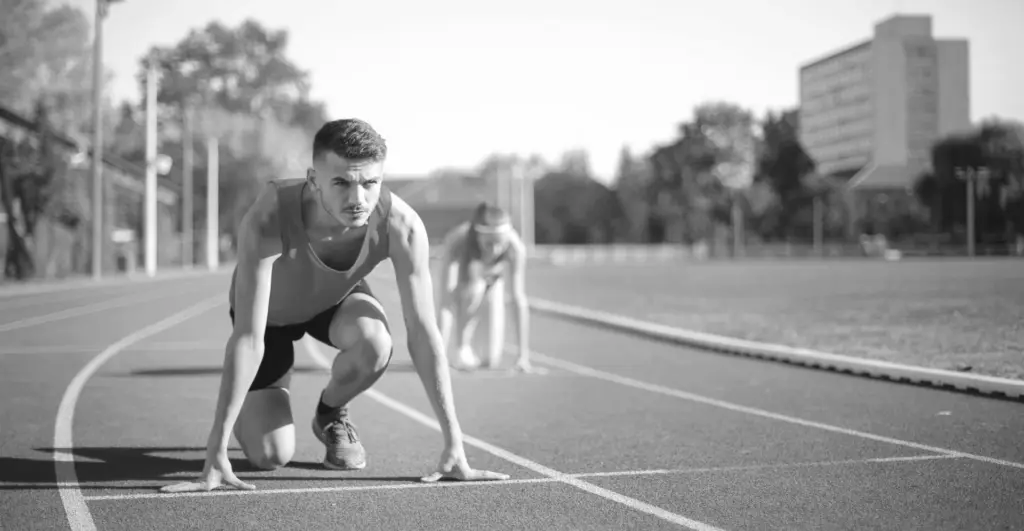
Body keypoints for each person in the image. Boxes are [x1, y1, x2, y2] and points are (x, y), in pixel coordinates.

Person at [161, 119, 509, 493]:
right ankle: (255, 420)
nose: (358, 199)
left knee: (376, 343)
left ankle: (330, 413)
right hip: (269, 319)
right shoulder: (270, 215)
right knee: (269, 456)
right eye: (341, 183)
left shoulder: (402, 226)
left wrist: (454, 444)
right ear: (314, 180)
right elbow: (248, 338)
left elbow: (424, 333)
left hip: (333, 301)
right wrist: (215, 451)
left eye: (369, 183)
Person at [435, 203, 543, 374]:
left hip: (493, 283)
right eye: (489, 244)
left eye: (500, 243)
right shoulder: (457, 241)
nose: (495, 250)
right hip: (467, 285)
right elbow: (445, 302)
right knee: (475, 288)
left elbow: (518, 299)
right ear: (477, 236)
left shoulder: (516, 248)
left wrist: (522, 356)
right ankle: (462, 348)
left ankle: (477, 351)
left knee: (489, 360)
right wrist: (438, 355)